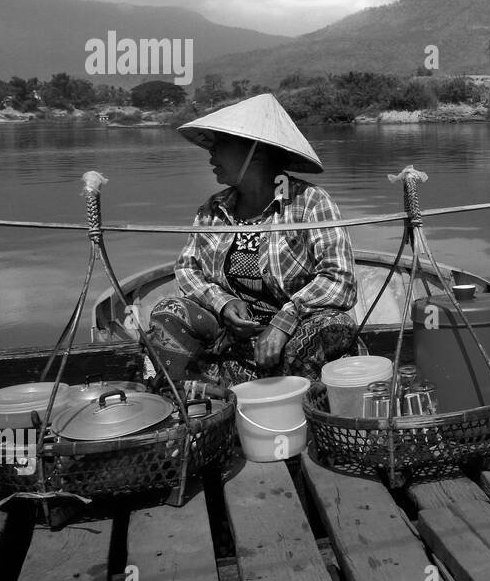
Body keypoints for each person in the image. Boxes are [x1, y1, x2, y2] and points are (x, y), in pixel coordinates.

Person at [147, 93, 358, 388]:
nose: (212, 155)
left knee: (332, 325)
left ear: (255, 152)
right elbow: (187, 269)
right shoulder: (214, 209)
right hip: (231, 335)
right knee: (168, 313)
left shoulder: (309, 202)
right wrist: (223, 303)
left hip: (294, 330)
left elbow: (340, 280)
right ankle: (211, 403)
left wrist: (284, 322)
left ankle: (299, 406)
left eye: (220, 145)